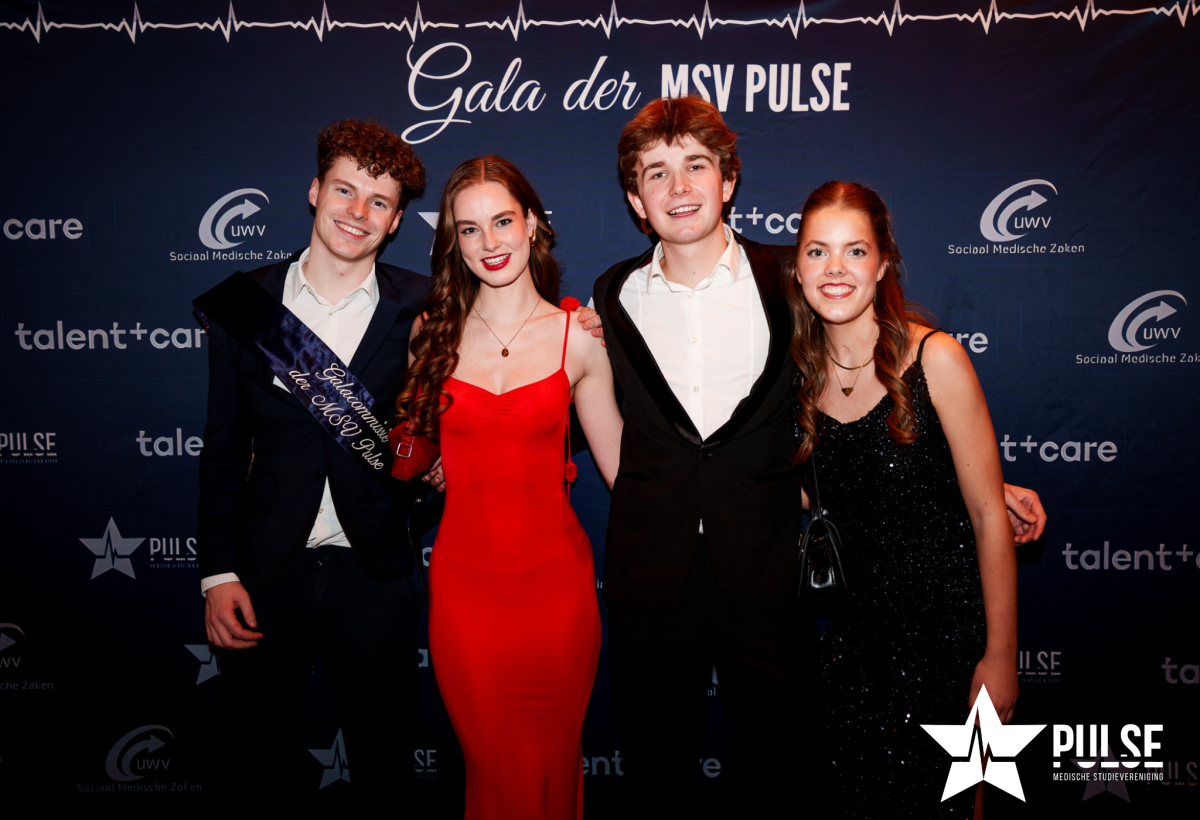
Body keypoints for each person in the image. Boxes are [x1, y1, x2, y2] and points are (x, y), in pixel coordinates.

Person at [591, 96, 1045, 817]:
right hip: (657, 585)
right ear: (634, 200)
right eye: (657, 173)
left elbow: (892, 399)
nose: (679, 187)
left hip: (775, 585)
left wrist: (980, 486)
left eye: (697, 166)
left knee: (799, 788)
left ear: (728, 181)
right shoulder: (610, 298)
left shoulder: (787, 282)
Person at [194, 121, 603, 801]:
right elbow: (223, 448)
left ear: (394, 222)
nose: (358, 212)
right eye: (345, 191)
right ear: (314, 191)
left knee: (385, 774)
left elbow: (521, 396)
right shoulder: (249, 306)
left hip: (377, 578)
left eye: (379, 202)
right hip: (264, 576)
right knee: (251, 769)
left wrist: (583, 326)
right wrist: (216, 571)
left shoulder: (429, 310)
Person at [396, 155, 623, 819]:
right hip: (465, 597)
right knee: (494, 773)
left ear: (532, 225)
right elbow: (415, 451)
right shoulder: (430, 336)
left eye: (502, 221)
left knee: (549, 770)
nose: (489, 242)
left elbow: (623, 471)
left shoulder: (578, 339)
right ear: (453, 242)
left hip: (556, 597)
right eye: (469, 229)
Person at [789, 181, 1016, 817]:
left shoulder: (934, 358)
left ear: (883, 263)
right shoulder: (795, 380)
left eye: (855, 251)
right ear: (797, 268)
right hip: (854, 648)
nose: (835, 269)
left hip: (950, 645)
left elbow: (987, 515)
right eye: (817, 251)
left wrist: (1000, 657)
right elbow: (811, 496)